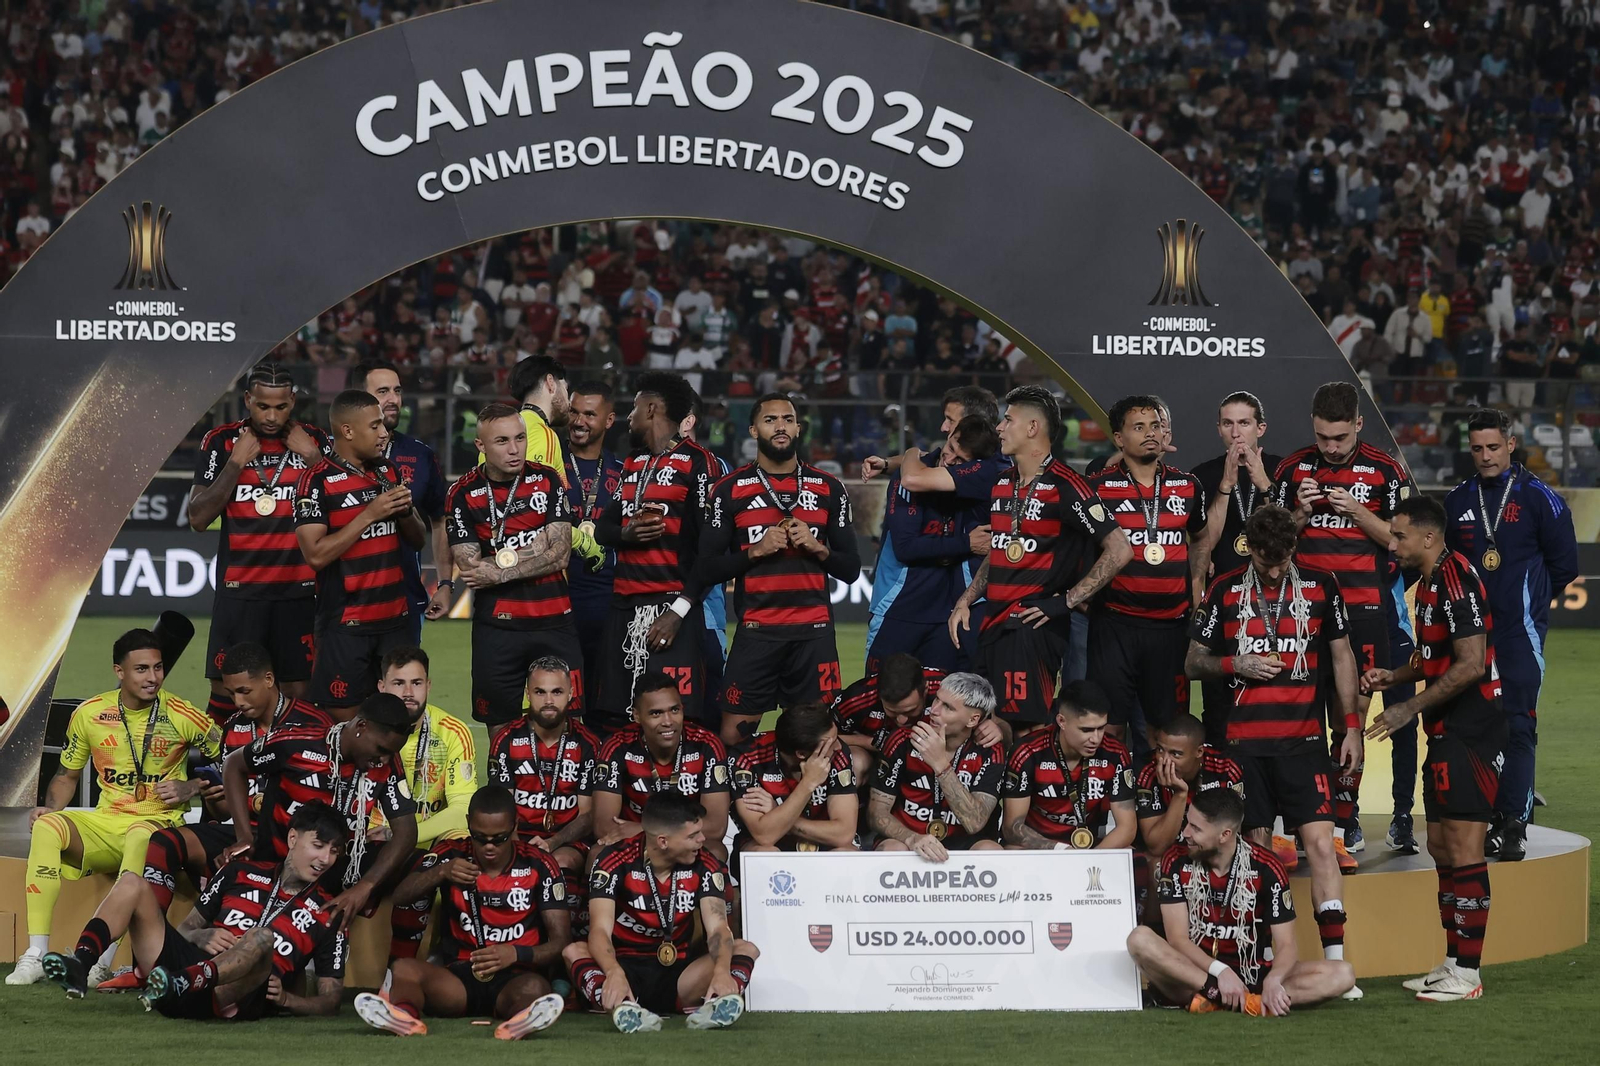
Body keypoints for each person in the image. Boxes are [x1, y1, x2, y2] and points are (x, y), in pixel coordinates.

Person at [1186, 504, 1364, 987]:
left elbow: (1342, 657)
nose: (1273, 571)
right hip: (1245, 748)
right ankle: (1261, 961)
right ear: (1250, 549)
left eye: (1281, 561)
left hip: (1304, 745)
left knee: (1322, 846)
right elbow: (1192, 661)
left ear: (1293, 548)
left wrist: (1350, 727)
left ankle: (1334, 963)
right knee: (1256, 852)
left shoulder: (1321, 585)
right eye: (1265, 561)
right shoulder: (1224, 589)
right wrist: (1234, 664)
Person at [10, 630, 223, 988]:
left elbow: (231, 762)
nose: (153, 677)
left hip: (157, 822)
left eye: (157, 667)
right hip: (106, 822)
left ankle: (101, 961)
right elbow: (66, 776)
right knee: (47, 827)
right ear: (119, 671)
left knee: (140, 835)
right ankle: (35, 954)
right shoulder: (90, 713)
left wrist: (191, 787)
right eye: (141, 669)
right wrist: (50, 808)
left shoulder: (184, 715)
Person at [1364, 496, 1507, 1002]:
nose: (1392, 544)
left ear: (1428, 537)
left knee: (1464, 849)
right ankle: (1452, 961)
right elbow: (1432, 657)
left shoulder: (1456, 579)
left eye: (1399, 535)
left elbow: (1470, 663)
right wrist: (1393, 677)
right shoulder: (1426, 583)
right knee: (1441, 846)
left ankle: (1469, 973)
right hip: (1446, 729)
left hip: (1473, 730)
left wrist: (1409, 707)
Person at [45, 802, 351, 1019]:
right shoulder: (239, 872)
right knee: (132, 883)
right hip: (181, 973)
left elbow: (332, 999)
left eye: (334, 851)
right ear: (293, 838)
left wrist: (288, 1000)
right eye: (319, 845)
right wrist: (200, 935)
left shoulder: (330, 913)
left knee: (261, 937)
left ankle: (179, 984)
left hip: (234, 994)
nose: (325, 859)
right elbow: (186, 930)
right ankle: (80, 964)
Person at [1273, 381, 1412, 853]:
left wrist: (1357, 512)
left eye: (1340, 438)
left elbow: (1400, 541)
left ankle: (1345, 819)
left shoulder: (1386, 470)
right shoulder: (1293, 468)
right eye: (1322, 437)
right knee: (1300, 718)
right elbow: (1271, 539)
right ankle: (1304, 818)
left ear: (1359, 424)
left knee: (1350, 716)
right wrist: (1300, 512)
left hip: (1364, 612)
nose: (1330, 448)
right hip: (1303, 614)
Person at [951, 386, 1130, 738]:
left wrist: (1066, 602)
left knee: (1026, 727)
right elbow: (1001, 548)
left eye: (1008, 420)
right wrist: (967, 599)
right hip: (993, 622)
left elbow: (1120, 549)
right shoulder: (1003, 483)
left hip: (1031, 627)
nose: (999, 428)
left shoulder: (1068, 484)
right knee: (982, 722)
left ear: (1033, 428)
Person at [1442, 409, 1577, 860]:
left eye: (1494, 447)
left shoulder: (1541, 498)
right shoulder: (1458, 500)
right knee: (1477, 726)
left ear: (1511, 445)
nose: (1485, 456)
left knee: (1519, 724)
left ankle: (1514, 823)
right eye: (1477, 448)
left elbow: (1565, 567)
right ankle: (1486, 817)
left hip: (1520, 634)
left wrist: (1529, 605)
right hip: (1470, 636)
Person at [138, 644, 330, 955]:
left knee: (239, 860)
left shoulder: (314, 724)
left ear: (268, 679)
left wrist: (251, 820)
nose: (238, 702)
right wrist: (213, 798)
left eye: (244, 691)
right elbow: (224, 810)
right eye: (231, 694)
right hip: (244, 831)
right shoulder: (235, 727)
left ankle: (216, 955)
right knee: (164, 842)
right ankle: (152, 950)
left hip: (289, 836)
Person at [700, 393, 861, 747]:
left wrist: (819, 548)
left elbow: (851, 569)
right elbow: (707, 569)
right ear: (753, 430)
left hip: (813, 636)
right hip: (757, 633)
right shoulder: (728, 490)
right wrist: (755, 552)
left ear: (799, 428)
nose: (780, 426)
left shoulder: (829, 488)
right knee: (732, 738)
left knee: (814, 741)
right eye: (770, 420)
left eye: (788, 419)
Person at [353, 787, 568, 1040]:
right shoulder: (451, 853)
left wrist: (515, 953)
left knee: (535, 987)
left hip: (514, 977)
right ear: (468, 823)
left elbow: (561, 943)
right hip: (458, 978)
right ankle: (404, 1018)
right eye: (479, 837)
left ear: (515, 825)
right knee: (403, 969)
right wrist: (440, 873)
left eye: (499, 838)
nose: (489, 846)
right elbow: (402, 896)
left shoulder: (539, 864)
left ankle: (519, 1022)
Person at [1126, 788, 1355, 1015]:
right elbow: (1178, 940)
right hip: (1194, 975)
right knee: (1139, 939)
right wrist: (1221, 972)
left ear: (1225, 835)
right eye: (1188, 823)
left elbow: (1287, 945)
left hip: (1251, 974)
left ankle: (1228, 1000)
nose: (1185, 833)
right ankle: (1231, 997)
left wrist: (1274, 980)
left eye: (1196, 828)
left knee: (1342, 974)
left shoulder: (1266, 866)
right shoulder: (1175, 859)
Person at [188, 362, 330, 720]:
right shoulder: (221, 442)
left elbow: (343, 504)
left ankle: (289, 755)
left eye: (281, 407)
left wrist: (314, 459)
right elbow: (198, 518)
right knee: (229, 690)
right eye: (263, 406)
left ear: (293, 401)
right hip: (240, 593)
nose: (271, 416)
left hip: (299, 593)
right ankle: (223, 757)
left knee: (298, 692)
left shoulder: (315, 441)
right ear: (248, 400)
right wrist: (235, 464)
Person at [226, 692, 419, 937]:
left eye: (392, 753)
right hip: (279, 862)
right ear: (361, 726)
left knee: (428, 865)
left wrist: (365, 887)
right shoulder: (295, 741)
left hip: (338, 867)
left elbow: (406, 832)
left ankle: (400, 955)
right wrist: (244, 836)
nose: (384, 760)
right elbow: (234, 765)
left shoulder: (386, 763)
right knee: (181, 843)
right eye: (381, 749)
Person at [445, 402, 582, 740]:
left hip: (555, 623)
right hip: (498, 629)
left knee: (568, 726)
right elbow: (471, 568)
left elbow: (560, 554)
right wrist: (537, 548)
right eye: (502, 441)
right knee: (499, 727)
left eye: (520, 438)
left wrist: (501, 569)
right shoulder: (462, 493)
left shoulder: (547, 479)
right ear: (481, 445)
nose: (514, 449)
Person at [592, 372, 719, 735]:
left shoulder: (699, 463)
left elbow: (709, 550)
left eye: (633, 408)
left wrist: (679, 611)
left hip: (670, 610)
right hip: (623, 609)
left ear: (650, 409)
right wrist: (626, 534)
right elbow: (603, 529)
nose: (629, 417)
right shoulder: (633, 462)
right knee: (615, 718)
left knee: (674, 720)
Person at [567, 793, 756, 1032]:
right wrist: (614, 972)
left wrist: (721, 971)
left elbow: (718, 929)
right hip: (625, 968)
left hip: (681, 976)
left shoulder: (706, 864)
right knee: (574, 951)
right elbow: (599, 931)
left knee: (744, 949)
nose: (702, 839)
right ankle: (623, 1007)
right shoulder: (614, 861)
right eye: (692, 836)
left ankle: (712, 1008)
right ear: (663, 841)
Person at [1087, 395, 1210, 759]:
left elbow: (1201, 538)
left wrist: (1196, 587)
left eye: (1155, 425)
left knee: (1165, 729)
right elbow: (1077, 547)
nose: (1150, 434)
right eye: (1138, 427)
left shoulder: (1188, 485)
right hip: (1114, 626)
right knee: (1109, 726)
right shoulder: (1097, 488)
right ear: (1119, 439)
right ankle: (1111, 794)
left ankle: (1158, 795)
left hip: (1171, 628)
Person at [295, 389, 424, 720]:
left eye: (383, 424)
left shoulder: (388, 471)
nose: (384, 433)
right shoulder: (315, 481)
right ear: (348, 431)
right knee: (347, 722)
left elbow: (418, 539)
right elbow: (315, 556)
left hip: (395, 621)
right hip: (345, 625)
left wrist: (405, 511)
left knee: (400, 719)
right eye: (375, 426)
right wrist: (369, 514)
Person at [867, 414, 1005, 674]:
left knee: (940, 696)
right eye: (950, 448)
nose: (950, 459)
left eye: (960, 460)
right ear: (950, 436)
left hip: (945, 615)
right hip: (897, 607)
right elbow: (906, 547)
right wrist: (965, 543)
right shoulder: (910, 475)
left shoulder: (973, 479)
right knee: (881, 691)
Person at [1189, 392, 1286, 747]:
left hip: (1277, 604)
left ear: (1261, 428)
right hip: (1224, 606)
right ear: (1218, 429)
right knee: (1219, 709)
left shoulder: (1281, 470)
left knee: (1275, 702)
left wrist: (1264, 484)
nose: (1236, 433)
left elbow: (1290, 533)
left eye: (1244, 423)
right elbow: (1205, 543)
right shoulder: (1202, 476)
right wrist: (1226, 485)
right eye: (1228, 424)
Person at [355, 360, 451, 642]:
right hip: (346, 603)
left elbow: (440, 519)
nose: (394, 400)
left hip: (405, 602)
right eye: (382, 391)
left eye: (397, 391)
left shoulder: (420, 455)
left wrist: (445, 583)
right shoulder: (331, 454)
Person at [593, 671, 732, 862]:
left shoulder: (707, 745)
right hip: (636, 845)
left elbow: (716, 827)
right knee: (597, 854)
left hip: (685, 843)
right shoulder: (617, 746)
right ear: (637, 715)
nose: (668, 722)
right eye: (656, 713)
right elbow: (603, 826)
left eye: (674, 710)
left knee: (716, 851)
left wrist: (645, 829)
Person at [870, 672, 1006, 857]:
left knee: (991, 851)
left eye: (947, 707)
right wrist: (911, 838)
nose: (933, 710)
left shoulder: (989, 750)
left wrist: (940, 764)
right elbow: (876, 813)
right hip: (910, 840)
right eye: (936, 700)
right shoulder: (904, 739)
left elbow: (975, 822)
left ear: (972, 719)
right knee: (892, 849)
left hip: (965, 843)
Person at [1000, 681, 1136, 850]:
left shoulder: (1115, 753)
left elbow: (1127, 828)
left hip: (1090, 846)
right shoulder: (1028, 752)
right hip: (1039, 847)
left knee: (1131, 855)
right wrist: (1062, 851)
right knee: (1013, 850)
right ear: (1061, 721)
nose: (1096, 739)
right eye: (1086, 730)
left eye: (1101, 728)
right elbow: (1012, 828)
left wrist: (1092, 859)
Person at [376, 647, 476, 847]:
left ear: (428, 686)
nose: (408, 693)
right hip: (372, 841)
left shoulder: (453, 732)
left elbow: (463, 808)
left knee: (460, 838)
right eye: (398, 683)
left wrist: (400, 836)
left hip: (427, 844)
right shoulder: (365, 731)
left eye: (417, 683)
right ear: (382, 687)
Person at [731, 702, 859, 853]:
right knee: (764, 852)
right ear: (801, 754)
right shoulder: (748, 756)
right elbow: (765, 836)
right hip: (770, 844)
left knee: (846, 853)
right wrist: (808, 783)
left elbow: (844, 834)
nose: (839, 746)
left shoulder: (837, 753)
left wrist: (779, 814)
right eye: (831, 743)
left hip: (822, 840)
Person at [563, 380, 625, 653]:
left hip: (608, 602)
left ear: (609, 420)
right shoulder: (549, 466)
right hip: (556, 599)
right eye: (574, 412)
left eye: (589, 414)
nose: (579, 421)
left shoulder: (623, 473)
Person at [1135, 713, 1245, 857]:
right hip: (1168, 854)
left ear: (1199, 752)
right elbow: (1157, 847)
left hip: (1211, 851)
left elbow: (1230, 836)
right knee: (1155, 862)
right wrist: (1180, 794)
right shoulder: (1148, 771)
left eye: (1175, 754)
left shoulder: (1225, 767)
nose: (1164, 761)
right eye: (1160, 750)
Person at [830, 652, 950, 781]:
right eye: (892, 711)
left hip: (937, 756)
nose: (902, 720)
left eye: (911, 710)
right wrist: (869, 742)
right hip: (873, 757)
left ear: (925, 690)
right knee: (856, 763)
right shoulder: (856, 700)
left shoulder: (945, 690)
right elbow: (824, 736)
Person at [858, 384, 1000, 480]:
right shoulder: (957, 453)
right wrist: (885, 464)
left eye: (950, 420)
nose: (943, 427)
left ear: (972, 423)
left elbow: (913, 478)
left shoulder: (987, 468)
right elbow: (927, 458)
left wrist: (912, 452)